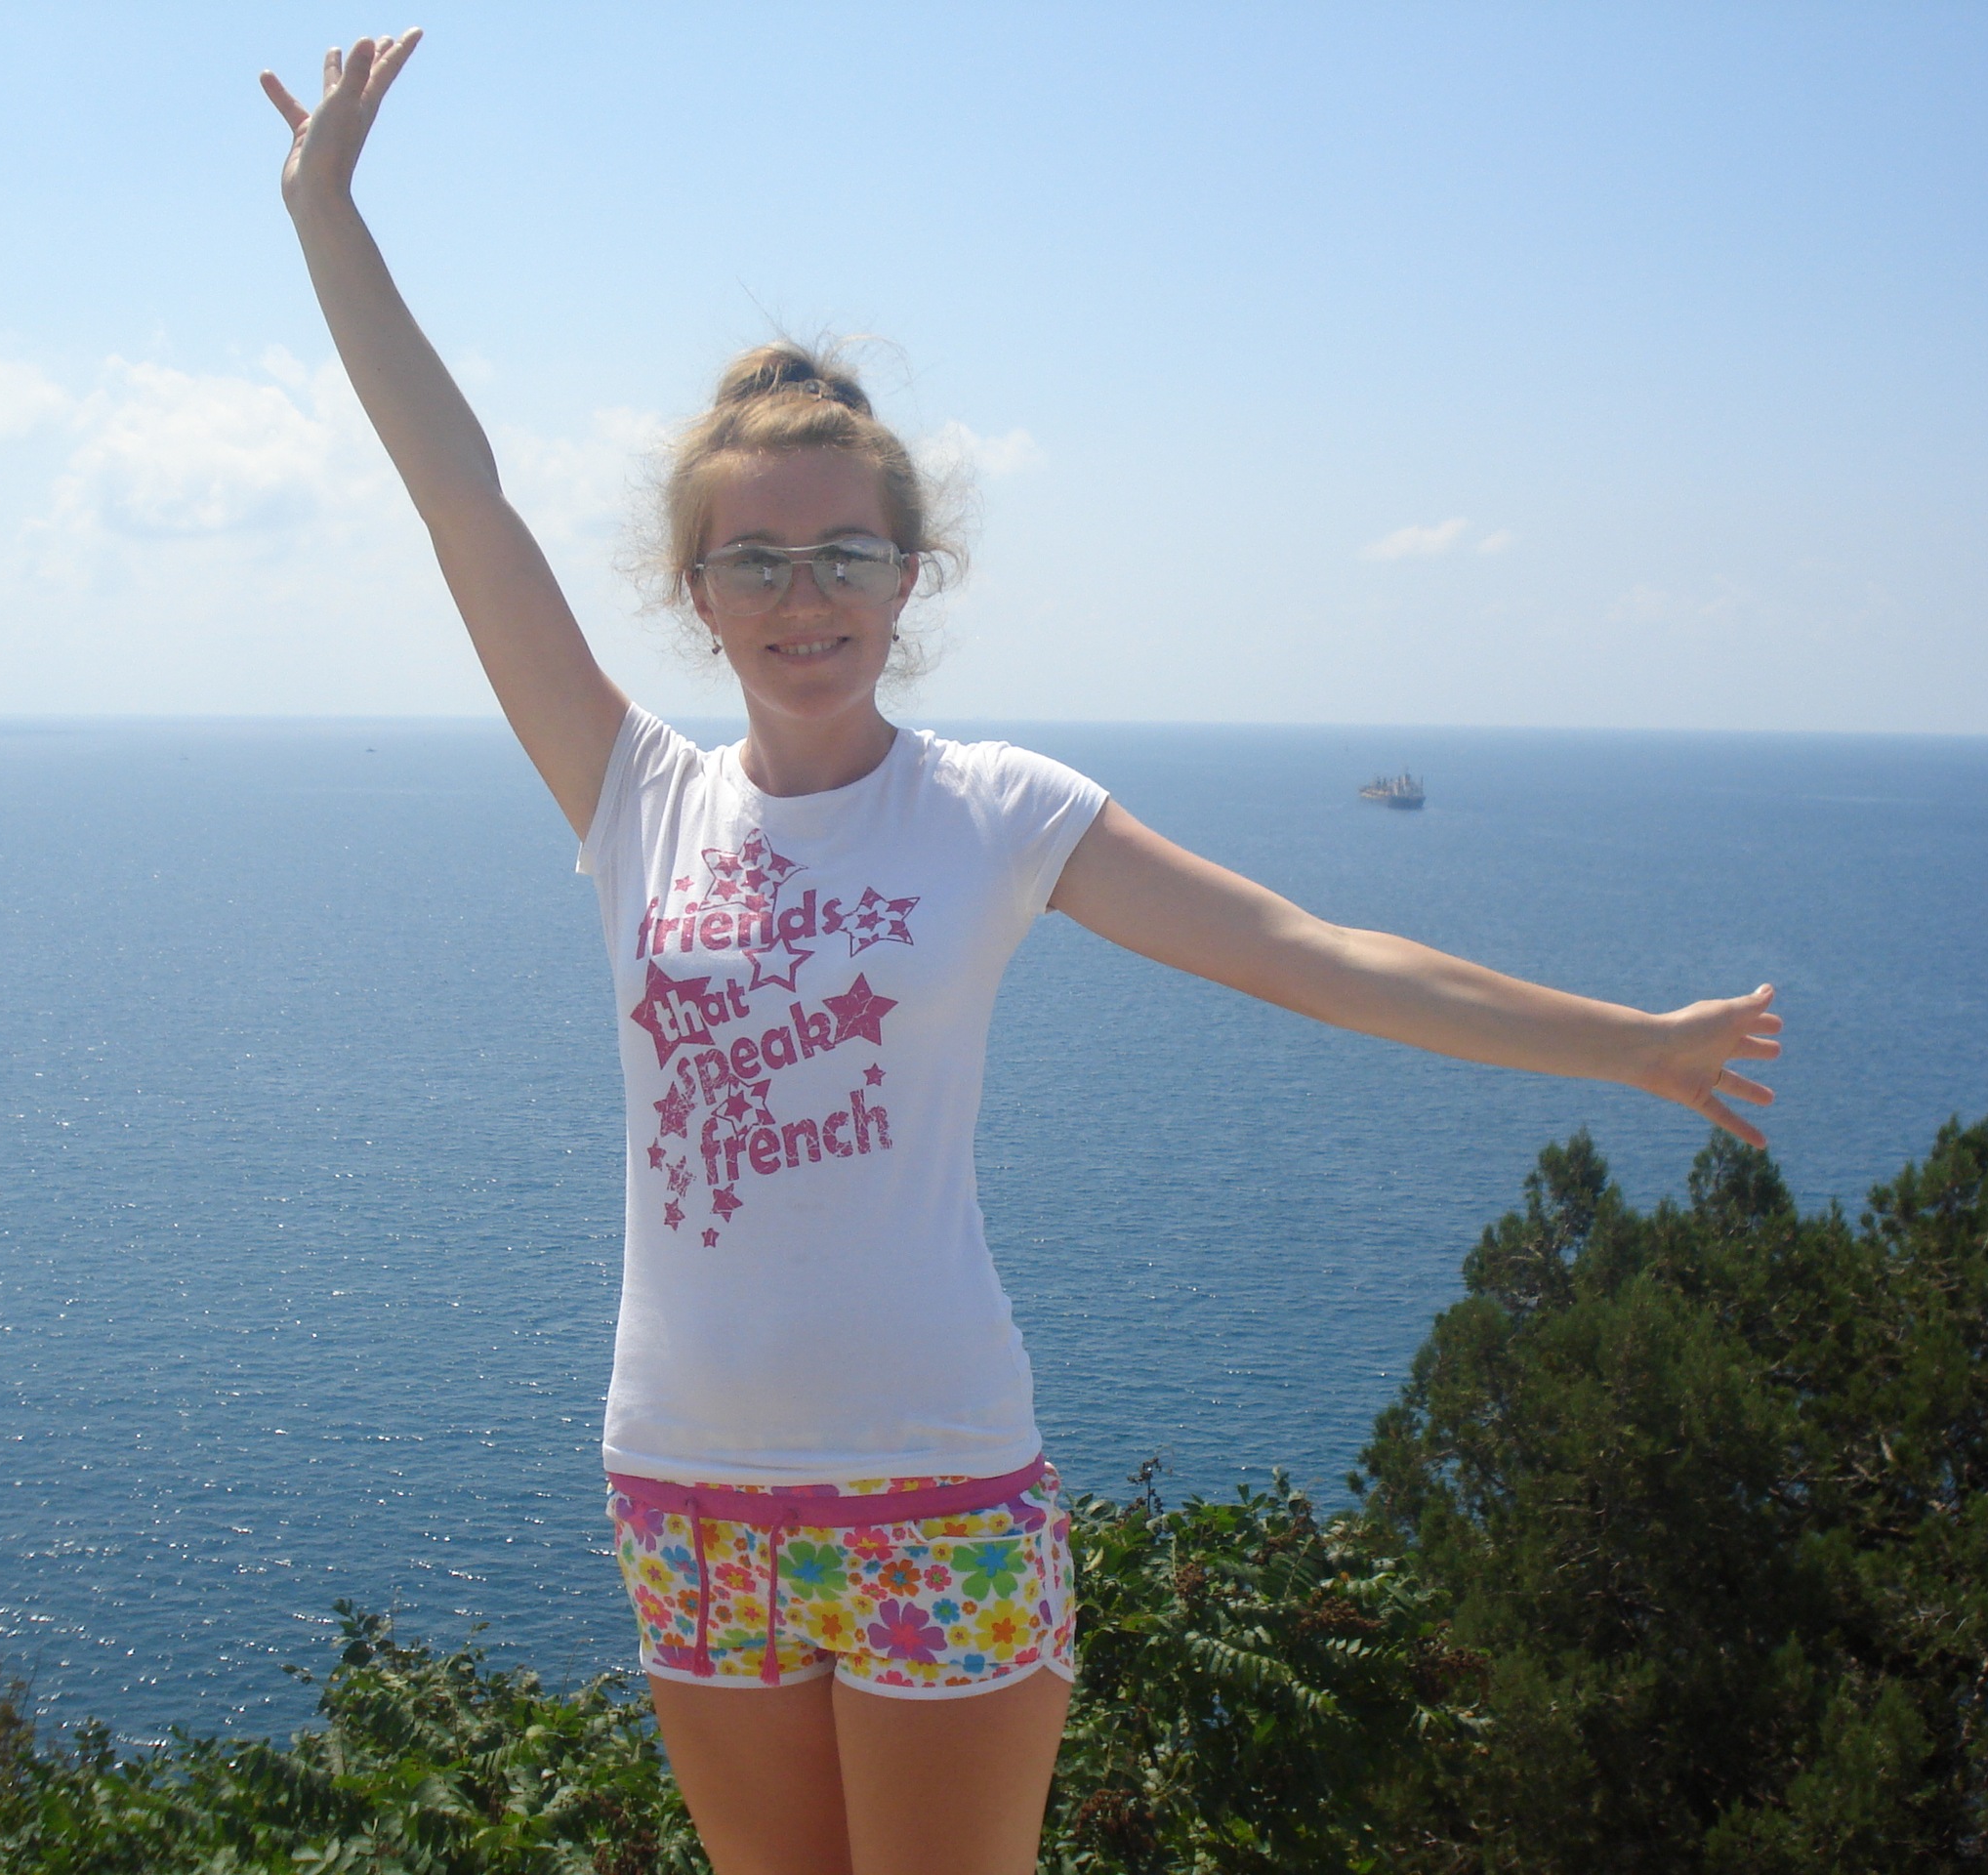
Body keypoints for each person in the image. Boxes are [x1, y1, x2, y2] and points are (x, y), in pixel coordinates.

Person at [262, 33, 1783, 1875]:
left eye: (845, 554)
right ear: (695, 591)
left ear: (912, 576)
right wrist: (327, 218)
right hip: (686, 1490)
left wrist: (1629, 1042)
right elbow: (464, 504)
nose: (803, 597)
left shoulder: (996, 812)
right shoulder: (632, 795)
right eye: (756, 561)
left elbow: (1303, 951)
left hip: (938, 1488)